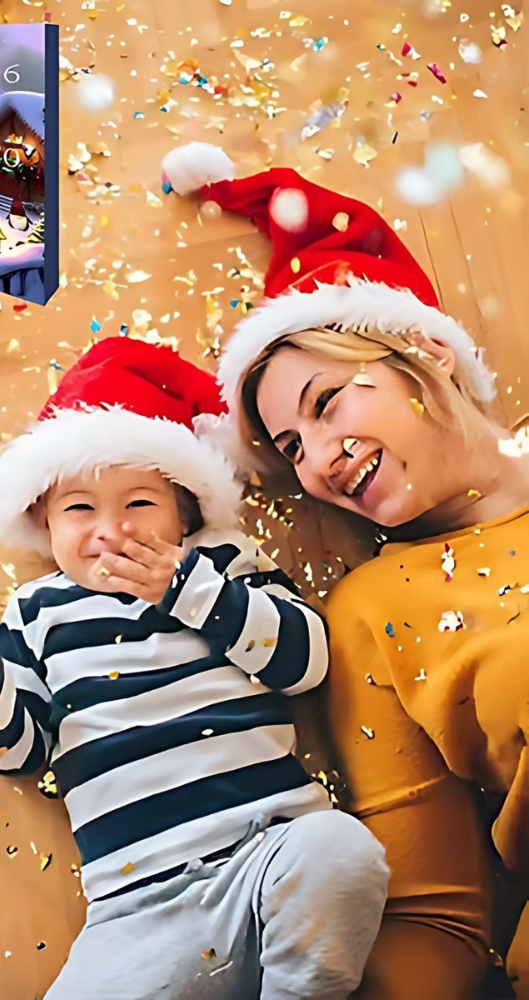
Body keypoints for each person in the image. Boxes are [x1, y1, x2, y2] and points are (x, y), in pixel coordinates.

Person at [161, 141, 528, 997]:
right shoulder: (372, 610)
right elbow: (438, 920)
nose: (319, 459)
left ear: (427, 357)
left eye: (328, 404)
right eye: (292, 448)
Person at [0, 337, 390, 999]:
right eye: (79, 510)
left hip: (267, 851)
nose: (112, 530)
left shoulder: (222, 565)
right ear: (44, 522)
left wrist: (191, 590)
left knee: (342, 851)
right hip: (136, 906)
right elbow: (20, 751)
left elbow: (306, 661)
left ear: (185, 513)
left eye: (140, 504)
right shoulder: (37, 611)